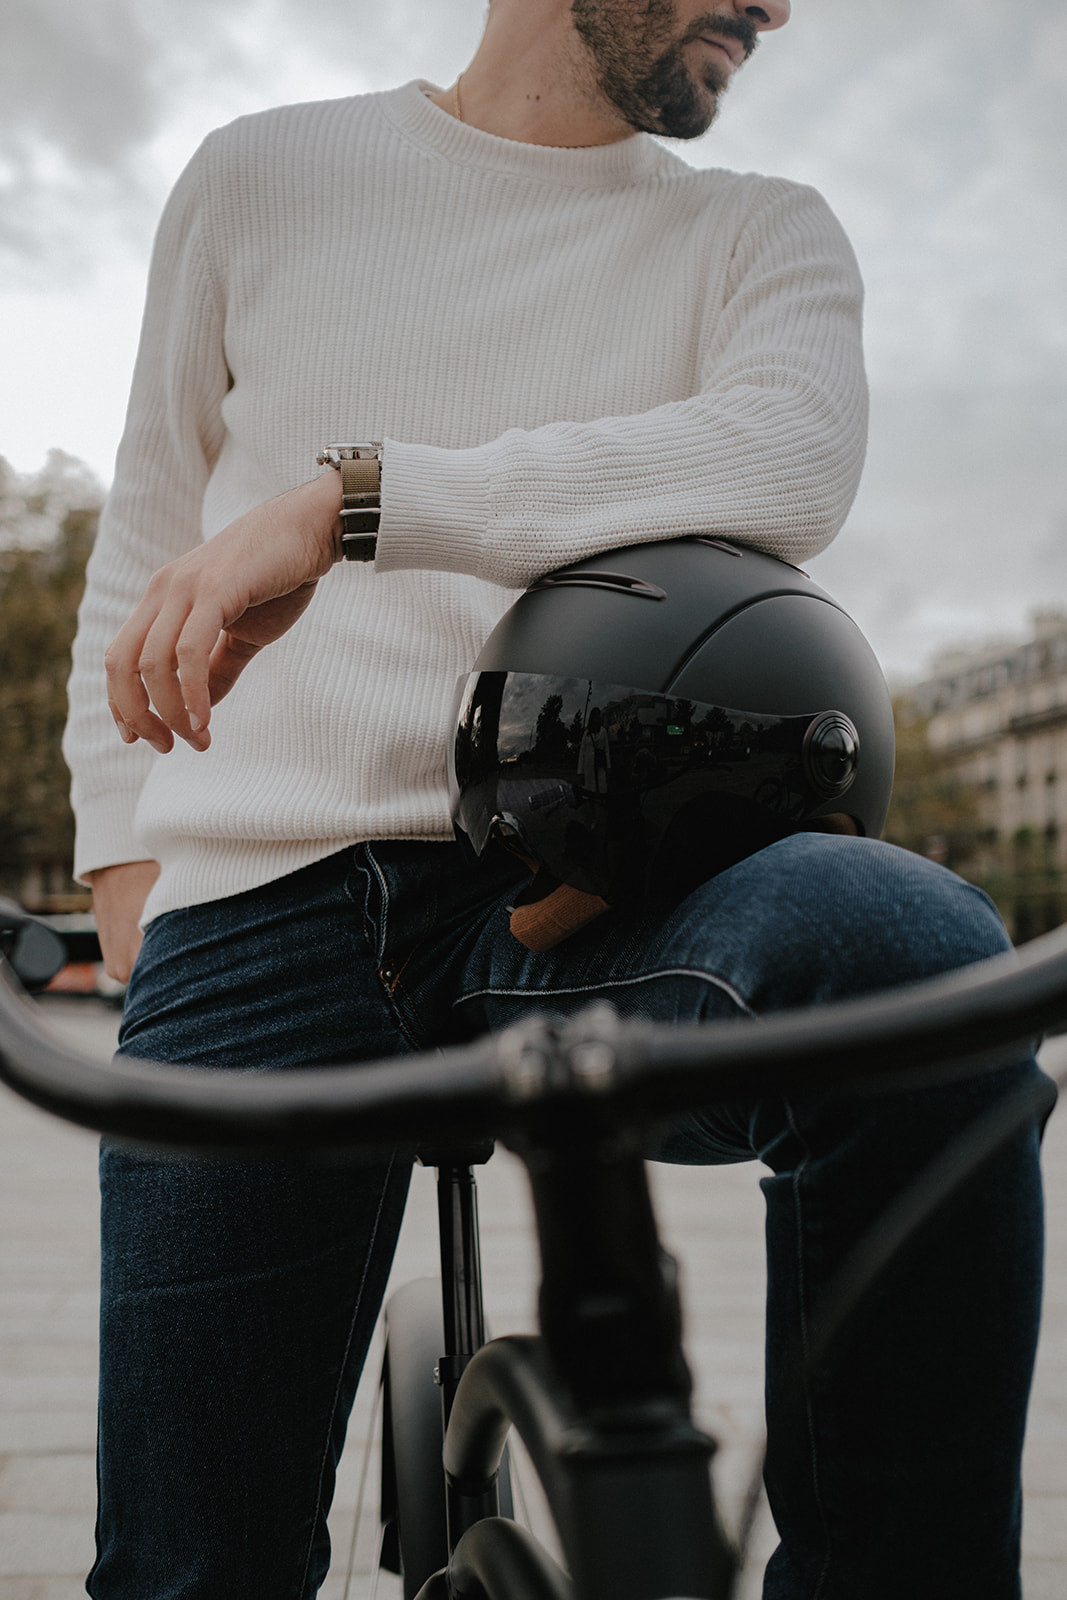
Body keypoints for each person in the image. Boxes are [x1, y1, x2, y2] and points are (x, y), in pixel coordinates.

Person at [64, 3, 1055, 1597]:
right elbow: (147, 533)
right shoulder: (262, 175)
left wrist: (358, 500)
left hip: (601, 887)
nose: (780, 4)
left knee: (919, 955)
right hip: (260, 903)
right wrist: (123, 865)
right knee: (187, 1566)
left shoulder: (762, 235)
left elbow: (791, 455)